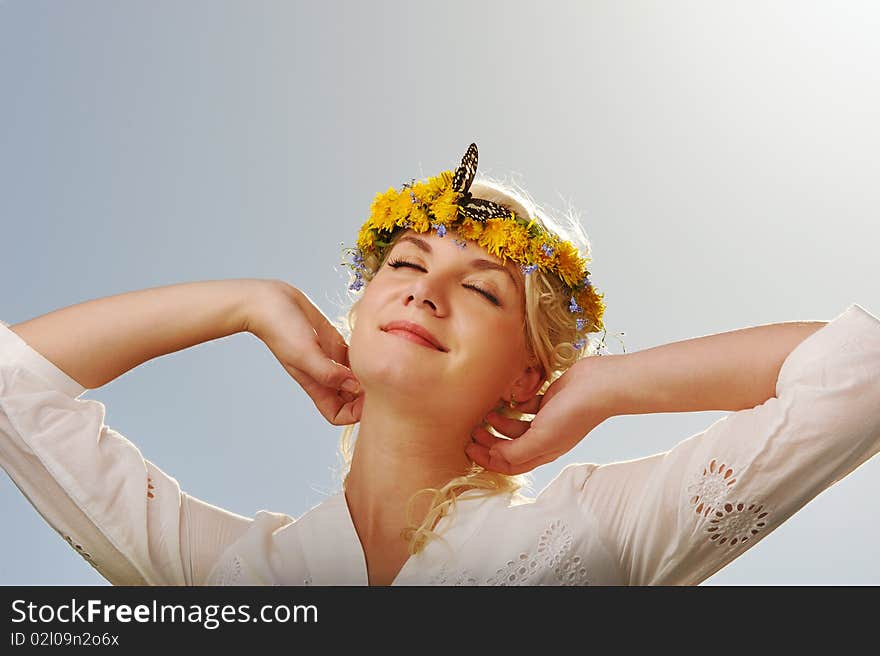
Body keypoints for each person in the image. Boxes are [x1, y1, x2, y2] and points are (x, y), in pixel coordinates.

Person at [1, 143, 878, 586]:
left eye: (483, 291)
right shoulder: (236, 572)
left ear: (525, 377)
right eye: (407, 265)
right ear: (360, 308)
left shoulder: (597, 533)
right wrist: (246, 302)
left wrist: (610, 385)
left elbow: (861, 374)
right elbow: (17, 386)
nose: (425, 294)